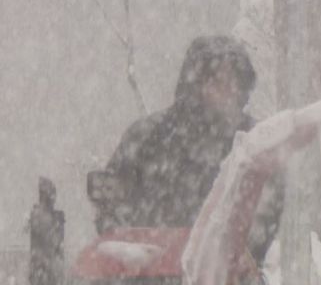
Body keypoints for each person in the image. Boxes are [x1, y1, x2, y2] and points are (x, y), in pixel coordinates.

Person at [93, 35, 282, 264]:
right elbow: (111, 212)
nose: (227, 92)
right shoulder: (146, 138)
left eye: (234, 83)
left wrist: (232, 260)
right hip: (147, 283)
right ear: (195, 84)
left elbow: (267, 214)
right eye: (216, 82)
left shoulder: (255, 143)